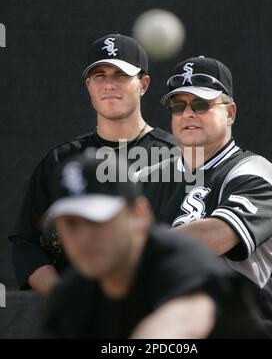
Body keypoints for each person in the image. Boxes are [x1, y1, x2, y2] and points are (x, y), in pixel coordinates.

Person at [8, 33, 176, 296]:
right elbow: (25, 243)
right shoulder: (61, 162)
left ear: (143, 84)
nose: (109, 84)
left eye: (120, 75)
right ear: (88, 85)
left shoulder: (177, 157)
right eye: (100, 75)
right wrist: (68, 300)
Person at [137, 56, 272, 337]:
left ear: (230, 113)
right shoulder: (146, 179)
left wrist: (131, 244)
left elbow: (219, 235)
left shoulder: (253, 171)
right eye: (178, 106)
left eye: (201, 104)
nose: (188, 113)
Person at [43, 153, 268, 339]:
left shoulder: (180, 259)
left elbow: (187, 318)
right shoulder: (71, 295)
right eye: (70, 224)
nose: (84, 237)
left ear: (140, 215)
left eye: (97, 219)